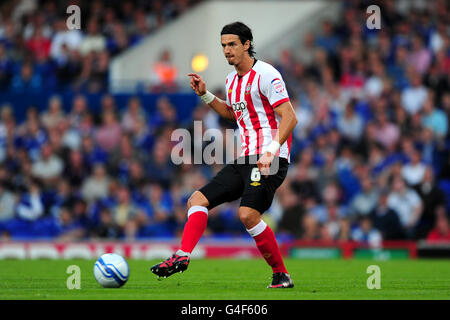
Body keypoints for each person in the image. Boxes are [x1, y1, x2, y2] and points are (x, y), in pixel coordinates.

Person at [151, 22, 298, 288]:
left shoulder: (267, 74)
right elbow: (234, 114)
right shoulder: (232, 81)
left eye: (232, 44)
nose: (227, 50)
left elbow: (290, 117)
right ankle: (182, 256)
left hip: (269, 157)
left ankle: (281, 274)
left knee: (247, 215)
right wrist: (206, 95)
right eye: (223, 45)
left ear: (246, 44)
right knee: (196, 200)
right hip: (244, 159)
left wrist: (271, 151)